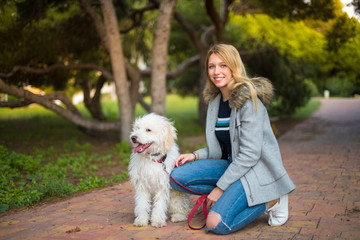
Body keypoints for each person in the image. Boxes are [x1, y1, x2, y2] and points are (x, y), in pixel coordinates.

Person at [170, 43, 296, 235]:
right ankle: (232, 195)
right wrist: (195, 155)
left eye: (223, 65)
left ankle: (273, 199)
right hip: (230, 165)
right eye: (211, 66)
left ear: (233, 68)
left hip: (254, 169)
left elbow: (250, 154)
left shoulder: (248, 100)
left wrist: (220, 189)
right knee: (176, 177)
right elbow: (220, 148)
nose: (216, 71)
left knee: (215, 224)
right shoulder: (215, 101)